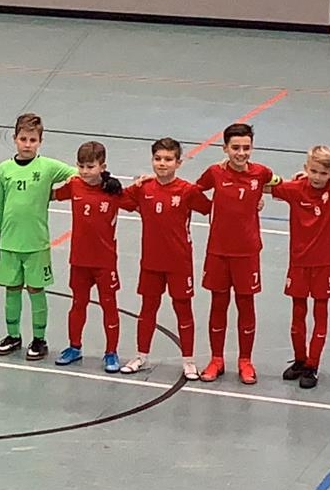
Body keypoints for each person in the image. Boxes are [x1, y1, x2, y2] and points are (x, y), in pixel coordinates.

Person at [269, 145, 330, 389]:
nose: (318, 177)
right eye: (314, 171)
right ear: (306, 168)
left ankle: (312, 364)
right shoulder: (294, 188)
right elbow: (261, 185)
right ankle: (300, 359)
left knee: (320, 313)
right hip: (299, 262)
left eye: (324, 173)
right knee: (298, 313)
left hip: (325, 263)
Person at [193, 123, 277, 385]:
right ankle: (216, 359)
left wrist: (260, 196)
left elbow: (279, 185)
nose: (241, 153)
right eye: (235, 148)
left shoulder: (261, 173)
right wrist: (210, 208)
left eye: (246, 148)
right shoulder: (214, 172)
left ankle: (245, 361)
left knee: (246, 304)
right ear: (225, 148)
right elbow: (193, 192)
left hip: (248, 252)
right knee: (218, 304)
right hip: (218, 251)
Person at [121, 138, 211, 379]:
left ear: (178, 163)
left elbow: (212, 208)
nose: (162, 163)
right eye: (158, 158)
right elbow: (117, 198)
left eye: (168, 159)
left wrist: (256, 203)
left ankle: (189, 360)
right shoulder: (143, 188)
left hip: (179, 262)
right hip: (151, 262)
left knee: (183, 309)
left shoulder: (188, 191)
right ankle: (141, 356)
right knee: (147, 308)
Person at [0, 113, 77, 360]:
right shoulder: (4, 169)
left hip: (36, 243)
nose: (27, 144)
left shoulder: (48, 167)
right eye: (23, 139)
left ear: (40, 141)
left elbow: (78, 175)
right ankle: (13, 335)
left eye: (32, 140)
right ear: (14, 139)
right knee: (12, 289)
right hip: (9, 242)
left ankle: (39, 339)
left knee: (36, 289)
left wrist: (57, 194)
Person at [51, 141, 124, 371]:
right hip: (79, 260)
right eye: (81, 166)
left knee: (109, 306)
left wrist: (144, 181)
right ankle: (74, 347)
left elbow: (141, 198)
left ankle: (111, 353)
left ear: (103, 167)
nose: (84, 171)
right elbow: (50, 195)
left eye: (90, 167)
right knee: (77, 303)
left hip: (104, 262)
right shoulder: (74, 185)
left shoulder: (113, 191)